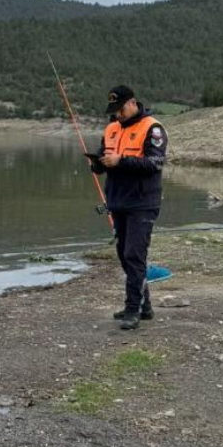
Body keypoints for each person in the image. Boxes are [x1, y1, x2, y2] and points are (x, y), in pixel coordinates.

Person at [89, 85, 168, 331]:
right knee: (124, 255)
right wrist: (98, 165)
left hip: (143, 203)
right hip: (118, 201)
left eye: (120, 109)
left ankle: (132, 309)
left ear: (132, 103)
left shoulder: (152, 128)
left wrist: (120, 161)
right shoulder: (111, 128)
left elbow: (155, 163)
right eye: (114, 110)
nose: (118, 115)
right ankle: (144, 307)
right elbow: (106, 158)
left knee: (135, 255)